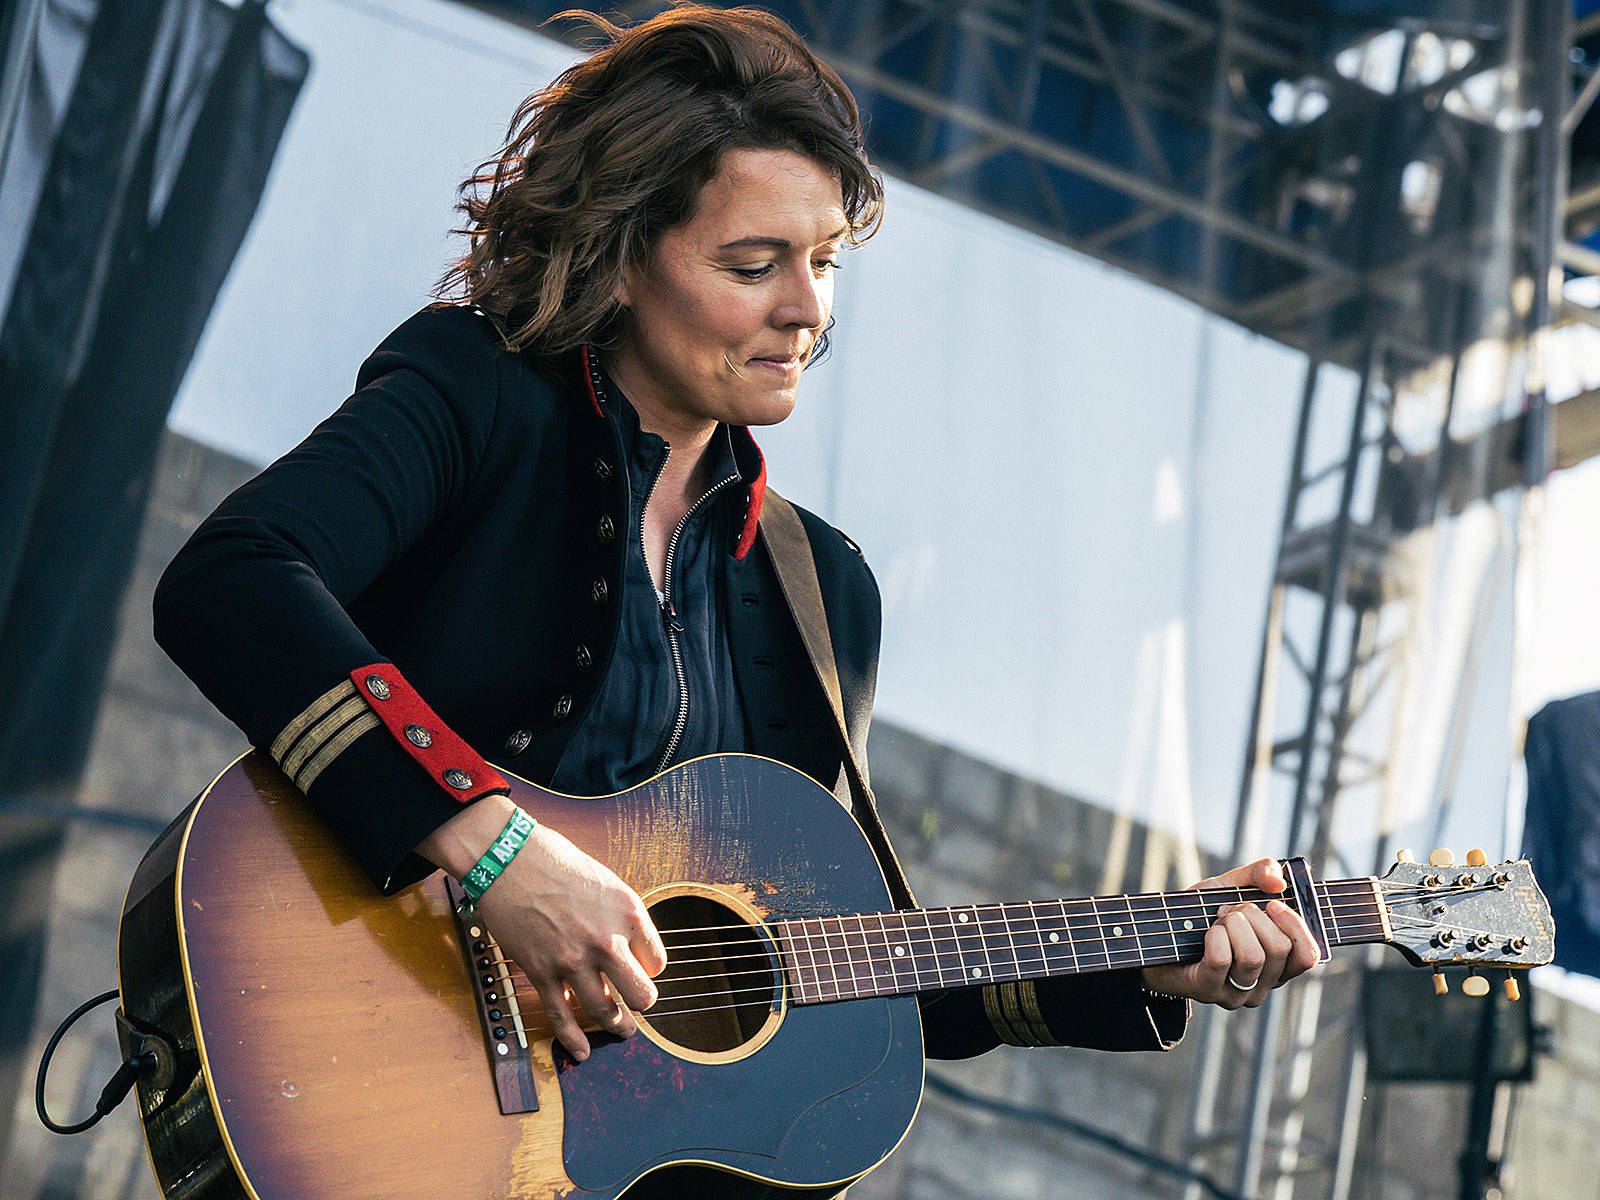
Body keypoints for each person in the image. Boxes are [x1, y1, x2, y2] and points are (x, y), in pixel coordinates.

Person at [153, 4, 1317, 1076]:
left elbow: (845, 971)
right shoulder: (477, 394)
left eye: (821, 263)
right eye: (753, 265)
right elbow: (232, 578)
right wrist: (492, 849)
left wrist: (1142, 956)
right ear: (619, 254)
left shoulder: (824, 589)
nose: (806, 309)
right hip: (364, 1051)